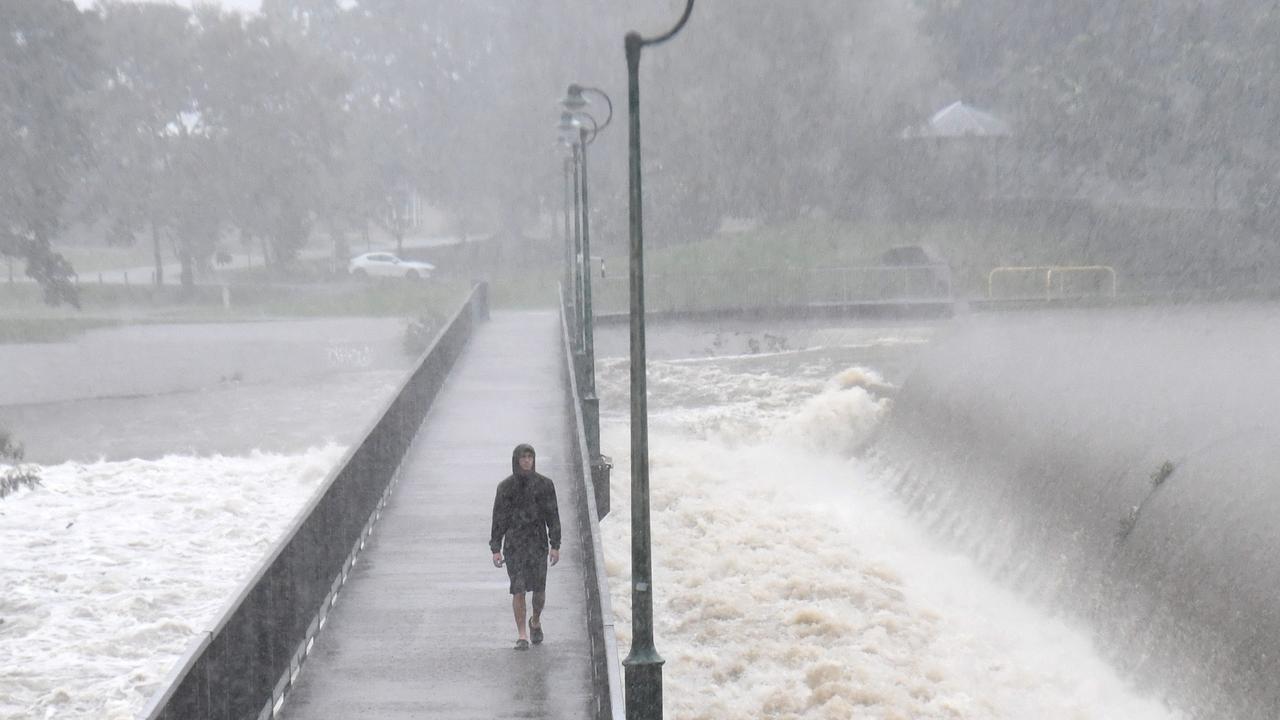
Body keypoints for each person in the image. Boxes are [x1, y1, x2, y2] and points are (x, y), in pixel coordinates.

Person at [490, 443, 561, 650]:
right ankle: (522, 635)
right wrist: (496, 547)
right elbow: (498, 518)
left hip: (537, 543)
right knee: (518, 589)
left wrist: (554, 544)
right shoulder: (505, 488)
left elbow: (553, 516)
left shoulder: (545, 485)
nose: (527, 461)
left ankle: (535, 621)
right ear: (516, 460)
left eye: (530, 457)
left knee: (539, 591)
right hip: (514, 545)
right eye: (523, 457)